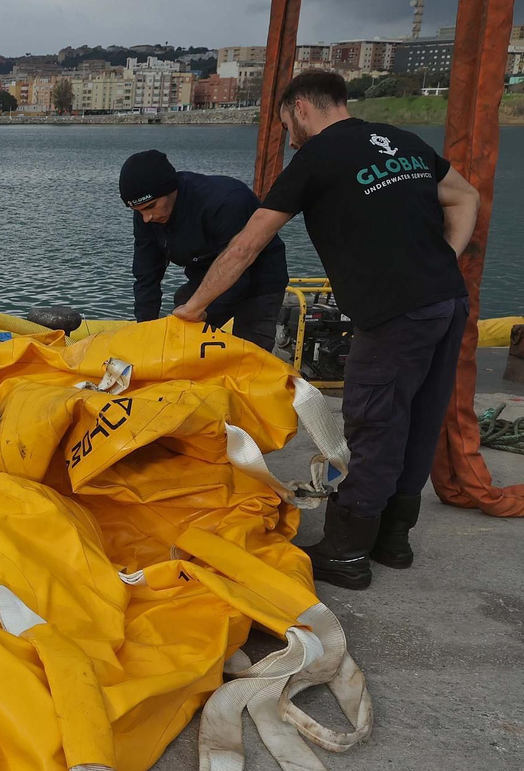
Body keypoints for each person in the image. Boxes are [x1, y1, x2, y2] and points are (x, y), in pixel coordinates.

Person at [172, 70, 479, 590]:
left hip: (394, 312)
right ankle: (393, 540)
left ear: (301, 109)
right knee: (420, 418)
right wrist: (442, 260)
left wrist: (195, 307)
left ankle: (346, 552)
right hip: (447, 301)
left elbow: (247, 244)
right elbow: (465, 196)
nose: (289, 138)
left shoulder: (315, 158)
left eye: (285, 125)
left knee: (374, 423)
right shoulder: (402, 142)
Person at [121, 150, 289, 351]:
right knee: (182, 318)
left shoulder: (225, 201)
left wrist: (203, 315)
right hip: (204, 273)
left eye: (151, 206)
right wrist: (145, 329)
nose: (147, 217)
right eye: (138, 211)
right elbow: (146, 275)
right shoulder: (146, 216)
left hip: (259, 278)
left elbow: (240, 277)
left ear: (171, 190)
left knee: (250, 348)